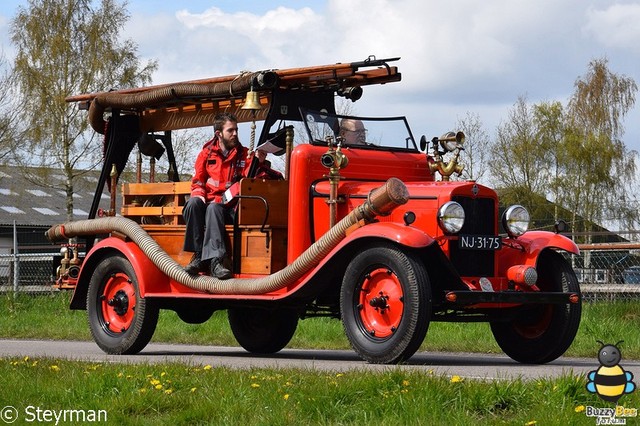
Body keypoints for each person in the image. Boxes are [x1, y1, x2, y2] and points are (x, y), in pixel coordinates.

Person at [182, 112, 254, 279]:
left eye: (236, 130)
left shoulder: (245, 155)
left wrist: (259, 161)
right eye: (231, 130)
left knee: (214, 208)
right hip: (209, 205)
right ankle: (199, 256)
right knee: (193, 204)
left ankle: (216, 261)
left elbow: (249, 181)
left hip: (232, 209)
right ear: (218, 134)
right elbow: (198, 182)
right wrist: (199, 195)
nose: (235, 133)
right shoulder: (206, 154)